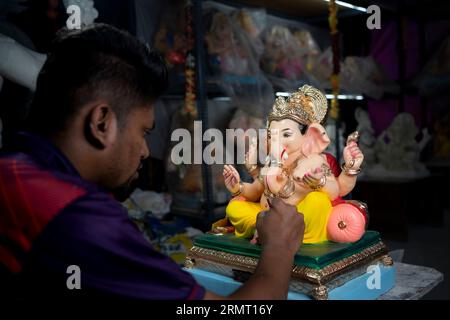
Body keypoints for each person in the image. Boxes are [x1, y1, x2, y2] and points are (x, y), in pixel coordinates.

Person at [0, 23, 305, 300]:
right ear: (102, 123)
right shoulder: (78, 218)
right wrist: (279, 248)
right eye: (143, 131)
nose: (146, 151)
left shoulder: (16, 164)